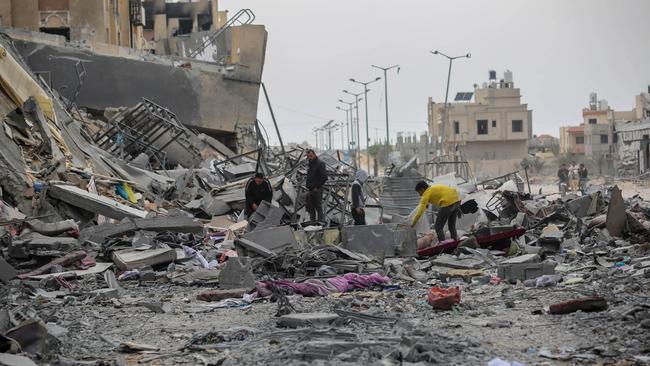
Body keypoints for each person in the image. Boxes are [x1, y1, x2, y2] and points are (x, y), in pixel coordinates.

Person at [305, 149, 328, 222]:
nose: (310, 158)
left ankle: (320, 225)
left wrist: (316, 187)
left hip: (317, 190)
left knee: (318, 207)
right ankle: (312, 224)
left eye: (311, 156)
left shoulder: (320, 163)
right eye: (308, 157)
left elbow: (324, 178)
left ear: (314, 155)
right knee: (311, 208)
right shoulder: (310, 164)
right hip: (310, 189)